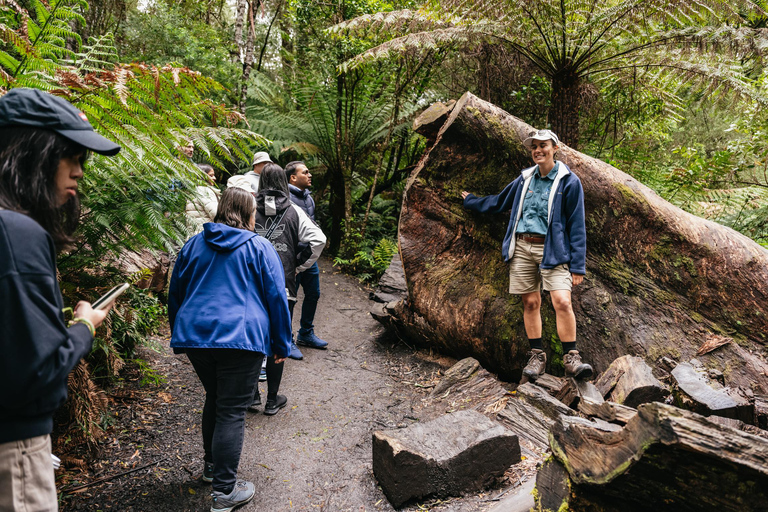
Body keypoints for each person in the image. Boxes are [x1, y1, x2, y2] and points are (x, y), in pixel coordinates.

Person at [0, 88, 121, 511]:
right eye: (72, 156)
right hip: (13, 450)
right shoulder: (17, 234)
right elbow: (38, 369)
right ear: (34, 153)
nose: (80, 172)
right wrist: (84, 327)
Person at [168, 186, 292, 512]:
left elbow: (176, 292)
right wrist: (281, 343)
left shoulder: (193, 245)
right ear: (249, 213)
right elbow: (277, 297)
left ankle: (211, 468)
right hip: (242, 339)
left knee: (217, 398)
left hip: (197, 338)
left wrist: (179, 332)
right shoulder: (259, 247)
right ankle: (225, 493)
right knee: (232, 410)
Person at [461, 129, 592, 381]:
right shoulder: (525, 179)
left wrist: (578, 267)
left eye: (543, 145)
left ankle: (572, 359)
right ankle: (536, 357)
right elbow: (500, 202)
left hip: (553, 249)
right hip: (521, 247)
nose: (537, 150)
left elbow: (577, 226)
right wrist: (472, 202)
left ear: (555, 148)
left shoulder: (569, 181)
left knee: (562, 301)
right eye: (534, 146)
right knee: (530, 302)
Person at [249, 164, 326, 415]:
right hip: (283, 285)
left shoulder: (249, 207)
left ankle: (252, 397)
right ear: (283, 182)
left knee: (252, 339)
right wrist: (298, 265)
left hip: (251, 285)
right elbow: (319, 240)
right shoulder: (293, 210)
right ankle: (272, 400)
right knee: (276, 340)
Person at [285, 161, 328, 350]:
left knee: (313, 294)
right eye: (306, 172)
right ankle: (287, 338)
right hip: (293, 257)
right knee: (290, 299)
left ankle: (306, 333)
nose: (310, 175)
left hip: (309, 256)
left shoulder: (309, 198)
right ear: (293, 177)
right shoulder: (285, 198)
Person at [185, 163, 220, 235]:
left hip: (195, 234)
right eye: (211, 175)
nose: (214, 178)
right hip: (205, 233)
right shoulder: (205, 191)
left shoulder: (194, 190)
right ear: (202, 176)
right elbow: (216, 214)